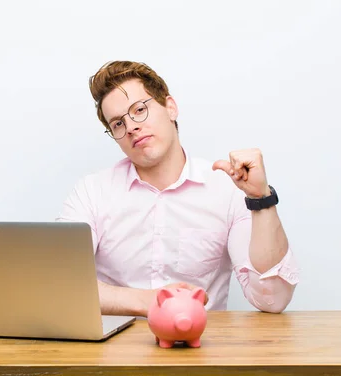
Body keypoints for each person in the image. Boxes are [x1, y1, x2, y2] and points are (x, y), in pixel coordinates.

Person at [56, 61, 299, 317]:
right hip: (114, 352)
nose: (130, 127)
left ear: (170, 107)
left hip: (199, 349)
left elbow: (272, 299)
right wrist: (150, 301)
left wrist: (260, 199)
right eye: (117, 123)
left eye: (139, 109)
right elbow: (59, 282)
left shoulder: (227, 191)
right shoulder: (91, 192)